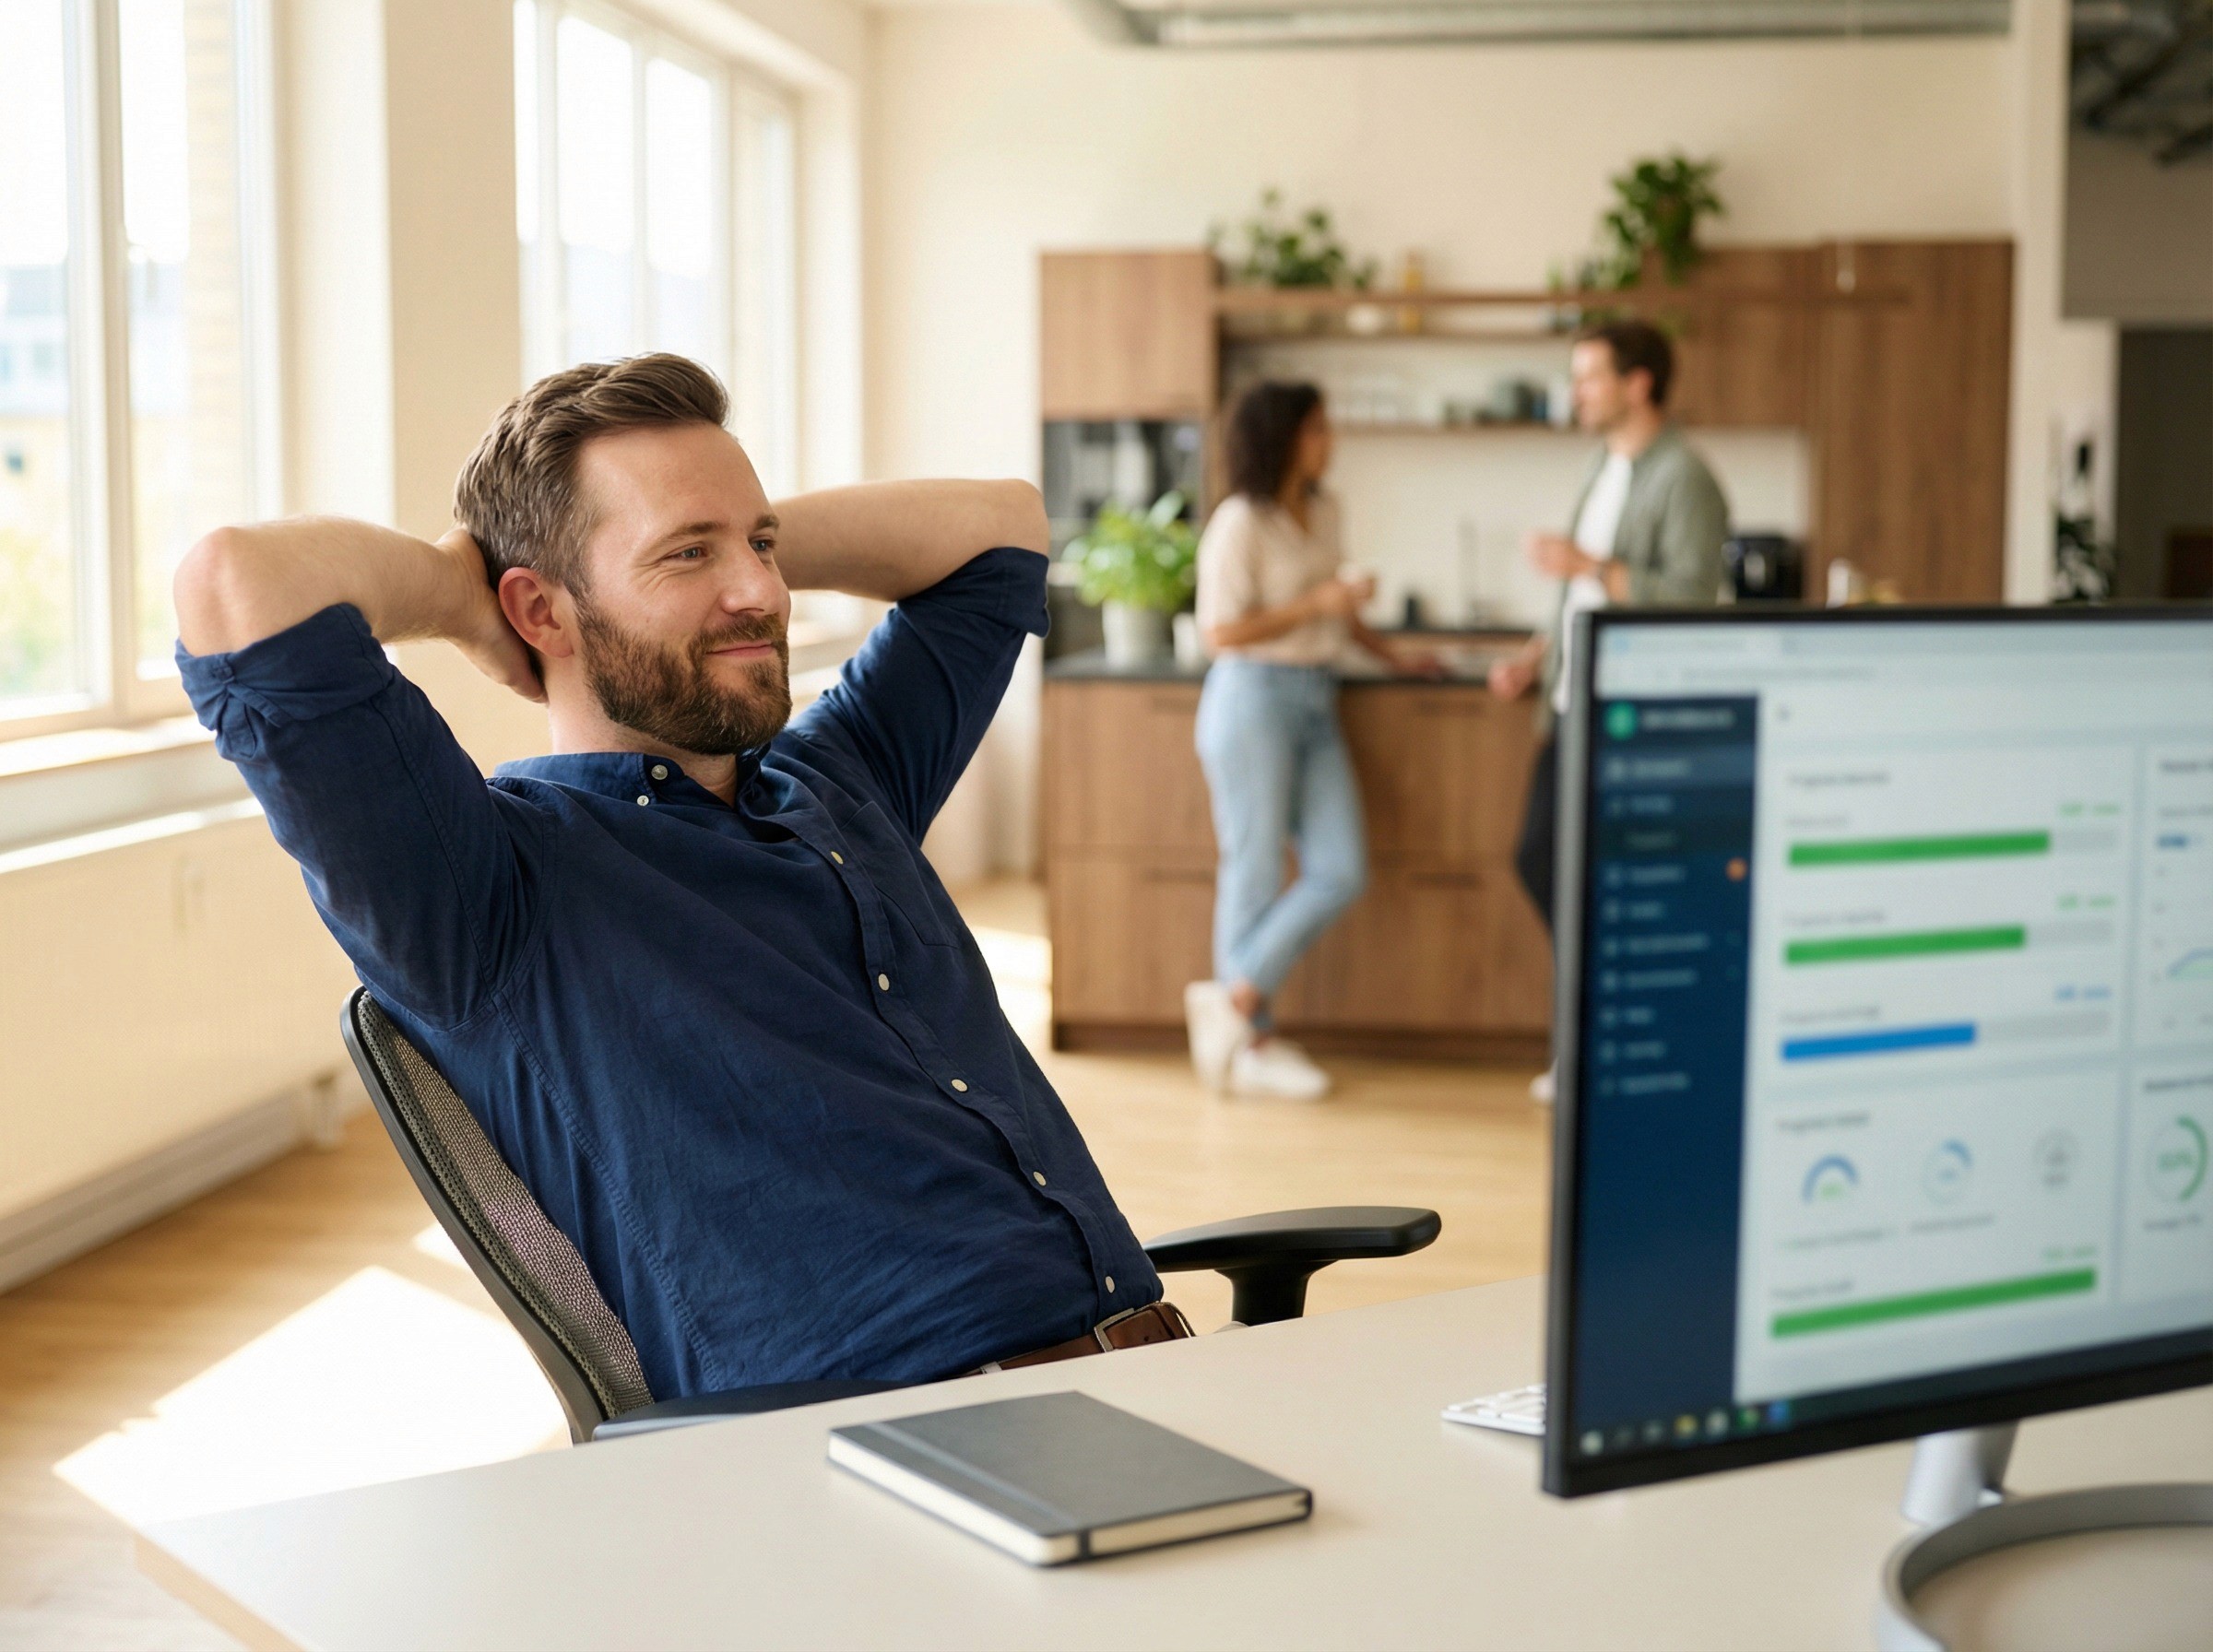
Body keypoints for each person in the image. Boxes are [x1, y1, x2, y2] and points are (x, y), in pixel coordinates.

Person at [174, 354, 1192, 1398]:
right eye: (686, 556)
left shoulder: (839, 779)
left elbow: (1003, 526)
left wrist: (722, 531)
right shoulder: (482, 890)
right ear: (540, 611)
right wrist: (460, 592)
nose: (761, 592)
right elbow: (233, 581)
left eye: (762, 546)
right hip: (909, 1439)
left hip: (1147, 1360)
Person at [1486, 321, 1730, 1103]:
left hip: (1631, 719)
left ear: (1639, 383)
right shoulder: (1602, 465)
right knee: (1546, 862)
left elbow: (1690, 599)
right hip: (1570, 702)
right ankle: (1596, 1038)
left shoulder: (1685, 476)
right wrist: (1534, 655)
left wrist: (1588, 563)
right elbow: (1579, 595)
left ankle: (1609, 1048)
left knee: (1611, 886)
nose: (1577, 391)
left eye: (1590, 376)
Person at [1182, 382, 1439, 1100]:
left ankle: (1231, 997)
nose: (1331, 440)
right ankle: (1253, 1043)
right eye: (1319, 428)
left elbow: (1335, 614)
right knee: (1255, 868)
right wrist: (1317, 603)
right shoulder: (1240, 522)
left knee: (1341, 866)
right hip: (1252, 698)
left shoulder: (1325, 510)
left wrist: (1393, 656)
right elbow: (1221, 632)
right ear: (1284, 436)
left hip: (1315, 699)